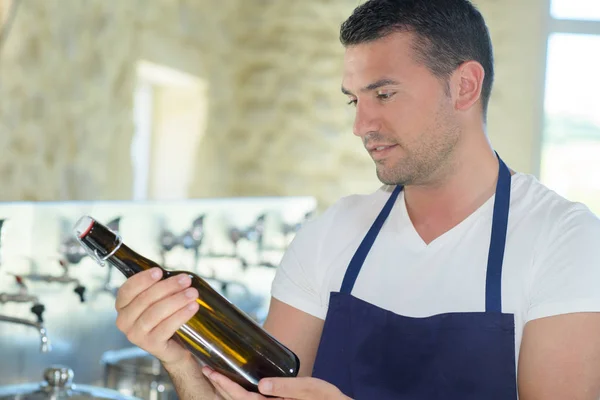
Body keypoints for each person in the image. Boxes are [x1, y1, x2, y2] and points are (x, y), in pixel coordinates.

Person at [113, 0, 600, 399]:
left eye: (384, 94)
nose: (361, 125)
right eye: (354, 100)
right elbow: (259, 394)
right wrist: (183, 364)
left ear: (464, 86)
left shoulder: (562, 240)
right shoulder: (333, 233)